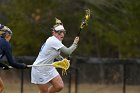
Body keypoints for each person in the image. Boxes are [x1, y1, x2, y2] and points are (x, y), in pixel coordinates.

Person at [31, 18, 79, 93]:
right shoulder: (53, 40)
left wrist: (62, 60)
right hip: (39, 69)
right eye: (59, 32)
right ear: (54, 33)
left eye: (63, 32)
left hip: (49, 67)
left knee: (59, 86)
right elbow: (68, 51)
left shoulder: (56, 41)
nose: (62, 34)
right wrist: (75, 43)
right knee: (44, 92)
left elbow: (56, 54)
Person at [0, 24, 28, 93]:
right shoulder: (6, 44)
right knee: (1, 87)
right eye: (10, 36)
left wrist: (4, 65)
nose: (10, 38)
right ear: (6, 35)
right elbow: (12, 63)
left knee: (1, 87)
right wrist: (23, 66)